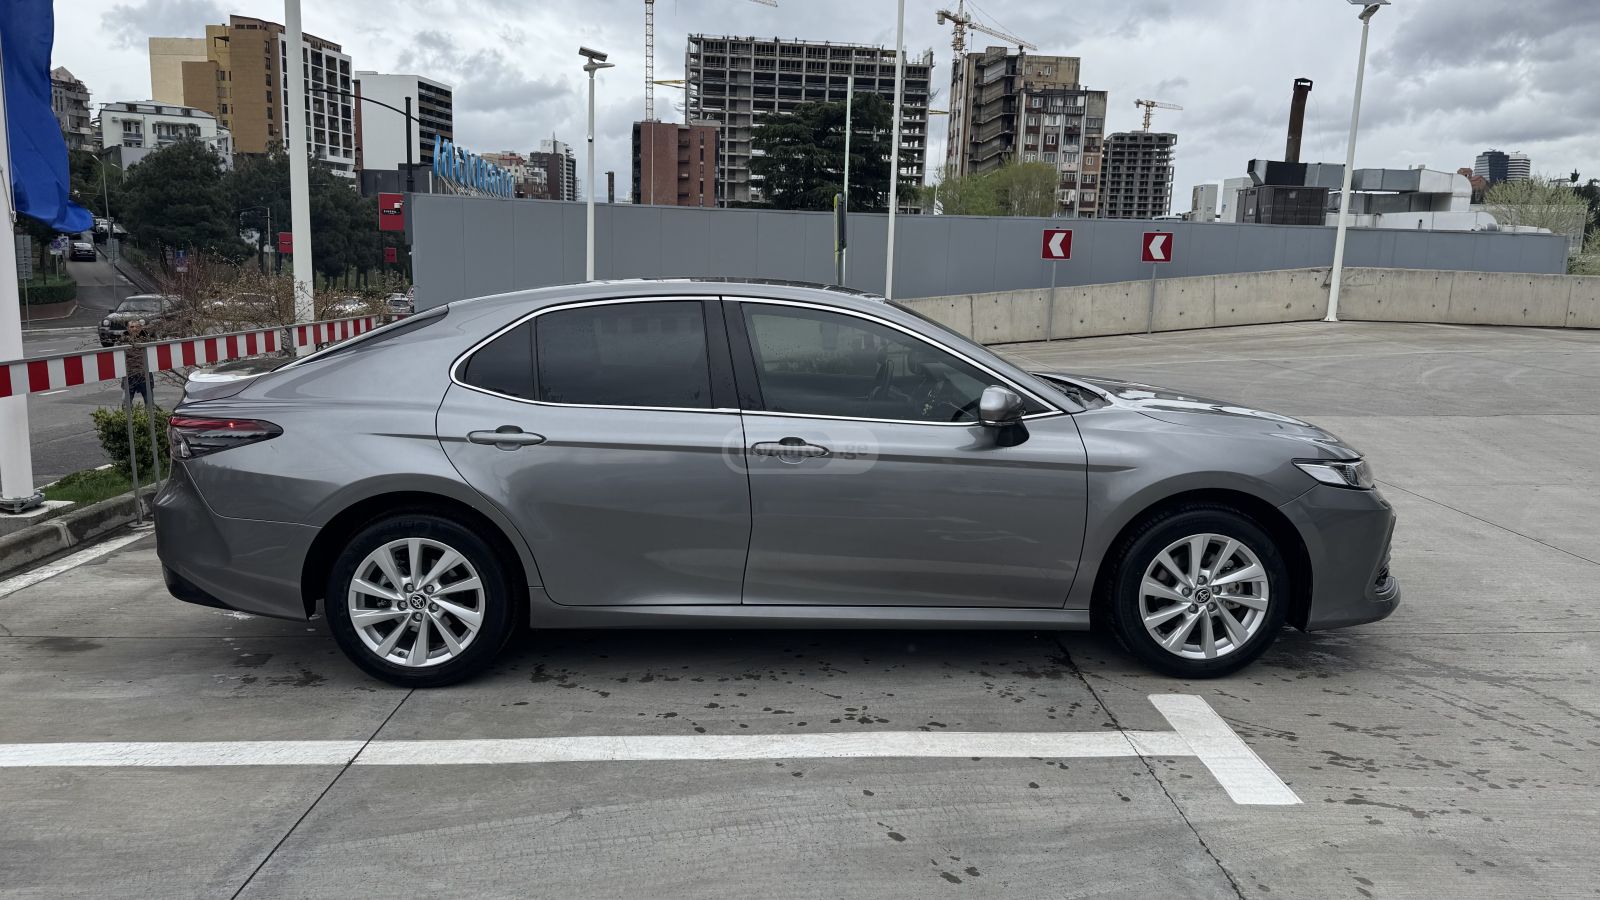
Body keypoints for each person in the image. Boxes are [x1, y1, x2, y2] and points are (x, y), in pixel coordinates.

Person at [121, 320, 152, 407]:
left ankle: (151, 419)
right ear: (127, 328)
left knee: (149, 403)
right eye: (132, 327)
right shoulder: (121, 342)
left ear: (141, 328)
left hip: (144, 374)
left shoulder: (148, 340)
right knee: (126, 402)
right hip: (129, 375)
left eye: (137, 327)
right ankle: (127, 420)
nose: (134, 329)